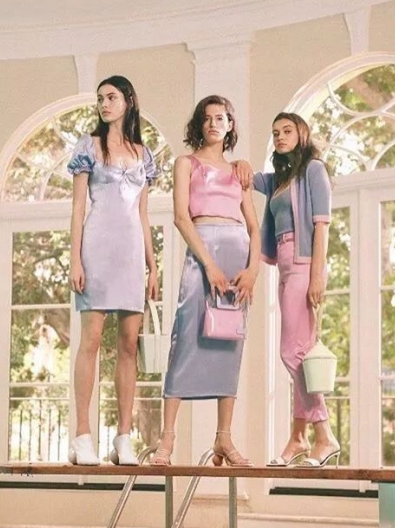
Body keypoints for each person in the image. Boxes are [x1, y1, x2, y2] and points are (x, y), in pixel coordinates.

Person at [151, 95, 261, 467]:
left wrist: (253, 271)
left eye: (221, 118)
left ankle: (224, 439)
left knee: (230, 342)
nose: (214, 123)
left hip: (237, 257)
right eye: (208, 118)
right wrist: (209, 265)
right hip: (203, 253)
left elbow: (254, 227)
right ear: (200, 124)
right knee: (185, 337)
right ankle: (167, 439)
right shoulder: (186, 164)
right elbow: (181, 217)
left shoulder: (239, 172)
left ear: (230, 125)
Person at [67, 75, 158, 465]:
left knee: (128, 345)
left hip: (131, 254)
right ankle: (81, 435)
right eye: (100, 98)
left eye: (111, 97)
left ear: (128, 101)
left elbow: (143, 213)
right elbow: (77, 208)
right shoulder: (88, 146)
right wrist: (75, 258)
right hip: (96, 249)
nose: (104, 104)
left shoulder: (144, 154)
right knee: (90, 340)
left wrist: (153, 265)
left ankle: (123, 437)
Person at [254, 112, 340, 467]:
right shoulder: (280, 178)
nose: (280, 137)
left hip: (305, 264)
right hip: (285, 266)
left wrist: (317, 275)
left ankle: (324, 434)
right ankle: (298, 437)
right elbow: (247, 179)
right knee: (301, 353)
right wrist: (233, 165)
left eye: (287, 131)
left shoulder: (314, 171)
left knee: (292, 353)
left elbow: (322, 226)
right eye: (275, 132)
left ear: (302, 133)